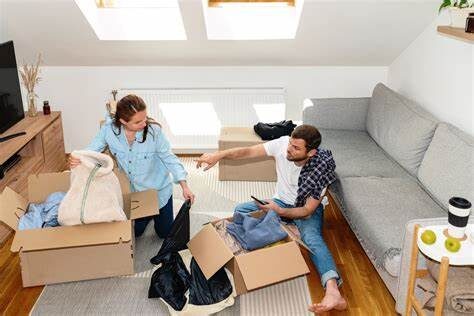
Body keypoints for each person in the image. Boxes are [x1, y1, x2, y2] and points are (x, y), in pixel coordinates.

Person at [195, 124, 346, 313]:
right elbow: (247, 152)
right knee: (240, 210)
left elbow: (307, 210)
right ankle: (278, 229)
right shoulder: (282, 144)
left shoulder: (320, 170)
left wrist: (279, 212)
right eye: (290, 143)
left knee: (312, 239)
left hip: (304, 209)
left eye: (296, 148)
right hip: (279, 202)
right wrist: (219, 155)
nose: (289, 149)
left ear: (311, 152)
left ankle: (333, 291)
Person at [69, 94, 195, 238]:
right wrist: (77, 158)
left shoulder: (154, 132)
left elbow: (169, 158)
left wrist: (184, 186)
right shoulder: (109, 130)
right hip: (136, 193)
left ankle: (165, 210)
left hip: (159, 191)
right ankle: (147, 218)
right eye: (138, 122)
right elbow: (91, 151)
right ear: (123, 121)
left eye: (145, 118)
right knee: (135, 233)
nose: (144, 123)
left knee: (165, 234)